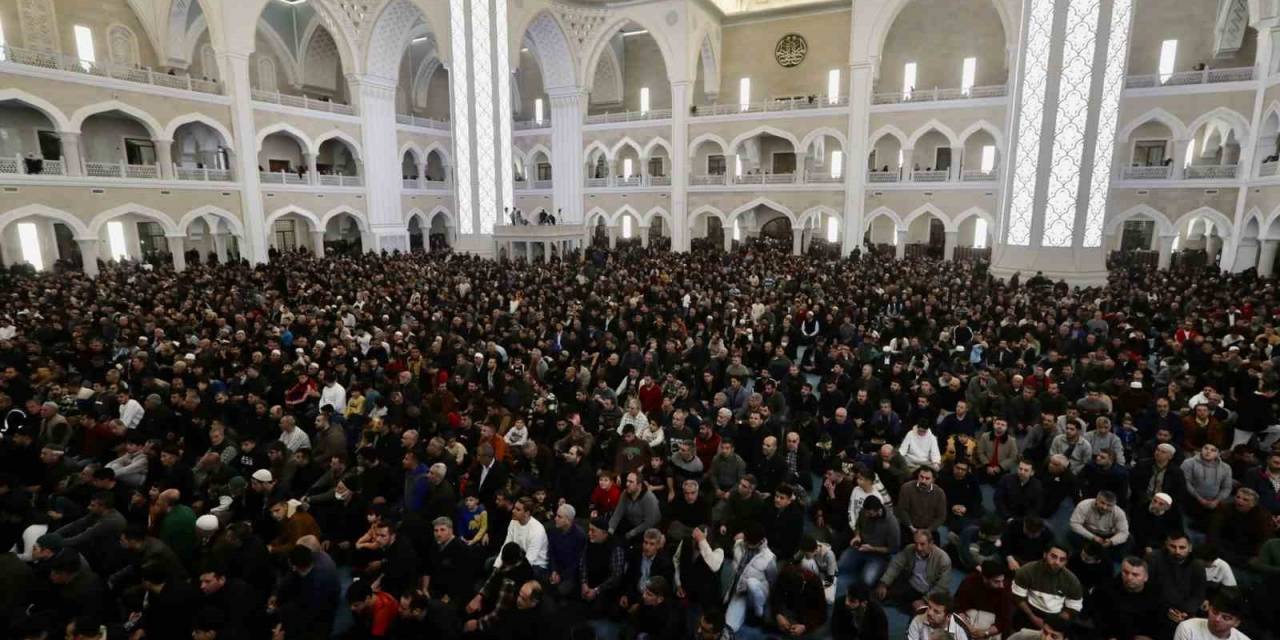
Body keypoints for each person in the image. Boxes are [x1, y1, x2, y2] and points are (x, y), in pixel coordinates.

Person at [875, 528, 952, 614]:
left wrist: (925, 600)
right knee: (880, 594)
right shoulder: (910, 548)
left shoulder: (943, 559)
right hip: (910, 583)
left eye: (922, 544)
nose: (918, 548)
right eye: (916, 543)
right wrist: (884, 583)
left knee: (924, 611)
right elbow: (896, 565)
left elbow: (941, 586)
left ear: (931, 543)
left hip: (928, 590)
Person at [1010, 544, 1083, 629]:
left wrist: (1055, 623)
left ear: (1066, 562)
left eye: (1062, 559)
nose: (1057, 562)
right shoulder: (1027, 571)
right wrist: (1032, 617)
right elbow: (1018, 597)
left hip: (1055, 616)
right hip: (1029, 611)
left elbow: (1074, 606)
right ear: (1045, 555)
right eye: (1053, 556)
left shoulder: (1072, 580)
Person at [725, 522, 778, 631]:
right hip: (740, 590)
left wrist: (770, 609)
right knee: (730, 625)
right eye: (745, 540)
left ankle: (758, 613)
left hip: (758, 591)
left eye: (748, 542)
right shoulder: (739, 544)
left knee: (752, 583)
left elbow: (773, 583)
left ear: (759, 542)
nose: (745, 543)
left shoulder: (769, 558)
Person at [953, 560, 1015, 640]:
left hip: (992, 624)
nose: (1001, 585)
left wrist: (986, 633)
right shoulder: (969, 581)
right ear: (985, 578)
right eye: (996, 581)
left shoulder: (1005, 589)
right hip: (969, 618)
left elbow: (1005, 620)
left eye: (1002, 580)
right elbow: (957, 606)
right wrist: (968, 626)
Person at [1173, 588, 1251, 640]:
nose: (1217, 619)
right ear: (1209, 608)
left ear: (1236, 623)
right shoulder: (1188, 628)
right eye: (1214, 612)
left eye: (1226, 618)